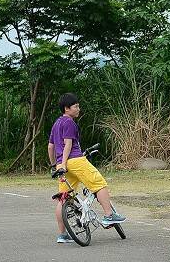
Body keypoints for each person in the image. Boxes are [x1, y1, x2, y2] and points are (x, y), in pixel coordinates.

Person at [48, 93, 126, 244]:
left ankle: (63, 235)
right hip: (75, 160)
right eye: (76, 106)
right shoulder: (69, 122)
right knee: (99, 184)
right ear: (66, 108)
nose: (78, 109)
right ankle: (109, 215)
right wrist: (64, 162)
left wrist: (56, 165)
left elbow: (50, 147)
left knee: (64, 198)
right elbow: (68, 144)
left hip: (61, 165)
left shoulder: (56, 124)